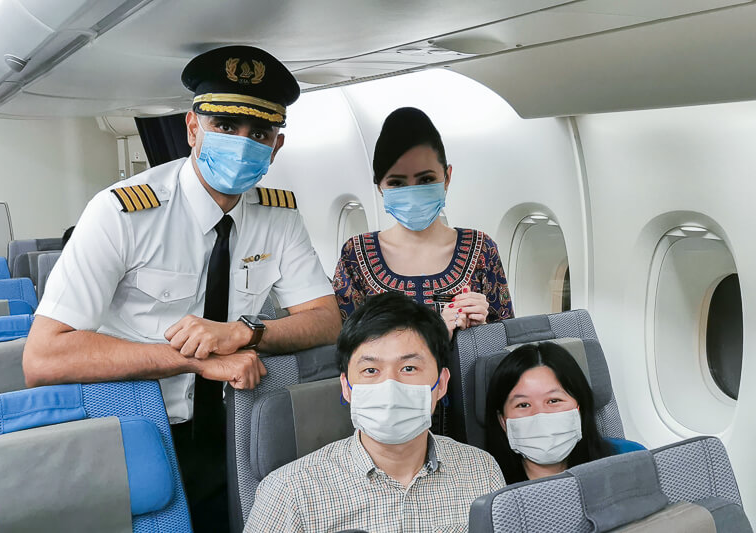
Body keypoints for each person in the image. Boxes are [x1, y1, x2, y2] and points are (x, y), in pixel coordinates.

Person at [23, 46, 341, 532]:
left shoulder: (278, 215)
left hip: (236, 423)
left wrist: (245, 333)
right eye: (225, 127)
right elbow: (44, 358)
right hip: (138, 423)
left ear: (276, 147)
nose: (243, 143)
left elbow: (326, 318)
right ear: (193, 128)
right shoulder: (123, 213)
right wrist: (193, 359)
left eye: (259, 133)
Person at [244, 292, 505, 532]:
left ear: (441, 384)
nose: (390, 386)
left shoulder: (481, 471)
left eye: (409, 368)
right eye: (371, 371)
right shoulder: (289, 491)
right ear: (346, 387)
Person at [333, 107, 513, 339]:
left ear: (447, 177)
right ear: (379, 186)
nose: (413, 193)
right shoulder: (355, 255)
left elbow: (507, 343)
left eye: (426, 179)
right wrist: (436, 330)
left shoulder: (482, 249)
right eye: (397, 183)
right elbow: (347, 346)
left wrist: (484, 325)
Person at [485, 342, 644, 484]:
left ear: (579, 408)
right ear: (503, 421)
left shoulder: (629, 458)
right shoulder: (489, 484)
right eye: (523, 404)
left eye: (553, 401)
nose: (541, 416)